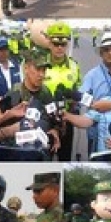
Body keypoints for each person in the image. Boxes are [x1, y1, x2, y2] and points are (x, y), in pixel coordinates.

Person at [43, 22, 81, 161]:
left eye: (63, 44)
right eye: (55, 44)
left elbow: (78, 90)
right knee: (44, 159)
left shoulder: (74, 66)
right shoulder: (40, 65)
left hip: (66, 120)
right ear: (49, 43)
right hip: (45, 120)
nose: (59, 48)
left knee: (65, 158)